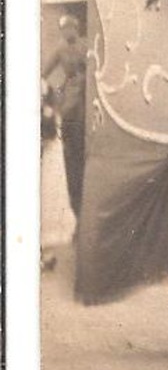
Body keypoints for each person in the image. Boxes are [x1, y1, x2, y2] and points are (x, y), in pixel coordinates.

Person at [42, 13, 88, 219]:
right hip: (71, 93)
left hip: (86, 89)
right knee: (70, 120)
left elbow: (93, 65)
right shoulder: (60, 48)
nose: (68, 32)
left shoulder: (84, 45)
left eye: (71, 27)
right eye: (64, 29)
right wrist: (50, 90)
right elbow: (45, 70)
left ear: (76, 28)